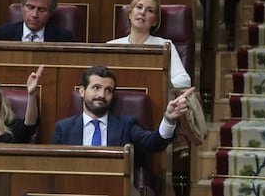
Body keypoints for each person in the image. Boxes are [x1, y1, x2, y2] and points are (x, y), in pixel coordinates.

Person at [52, 65, 195, 164]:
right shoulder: (64, 128)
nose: (102, 95)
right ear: (82, 91)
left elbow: (153, 143)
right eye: (96, 88)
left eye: (108, 90)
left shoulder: (126, 126)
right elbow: (54, 167)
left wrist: (168, 119)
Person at [107, 0, 191, 88]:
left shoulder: (165, 46)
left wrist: (155, 85)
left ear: (155, 21)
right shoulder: (111, 46)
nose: (142, 12)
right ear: (130, 14)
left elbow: (184, 80)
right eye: (139, 7)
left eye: (149, 10)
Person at [0, 0, 74, 42]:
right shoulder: (3, 34)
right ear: (22, 7)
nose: (34, 15)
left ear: (50, 12)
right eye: (30, 8)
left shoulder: (64, 38)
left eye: (41, 10)